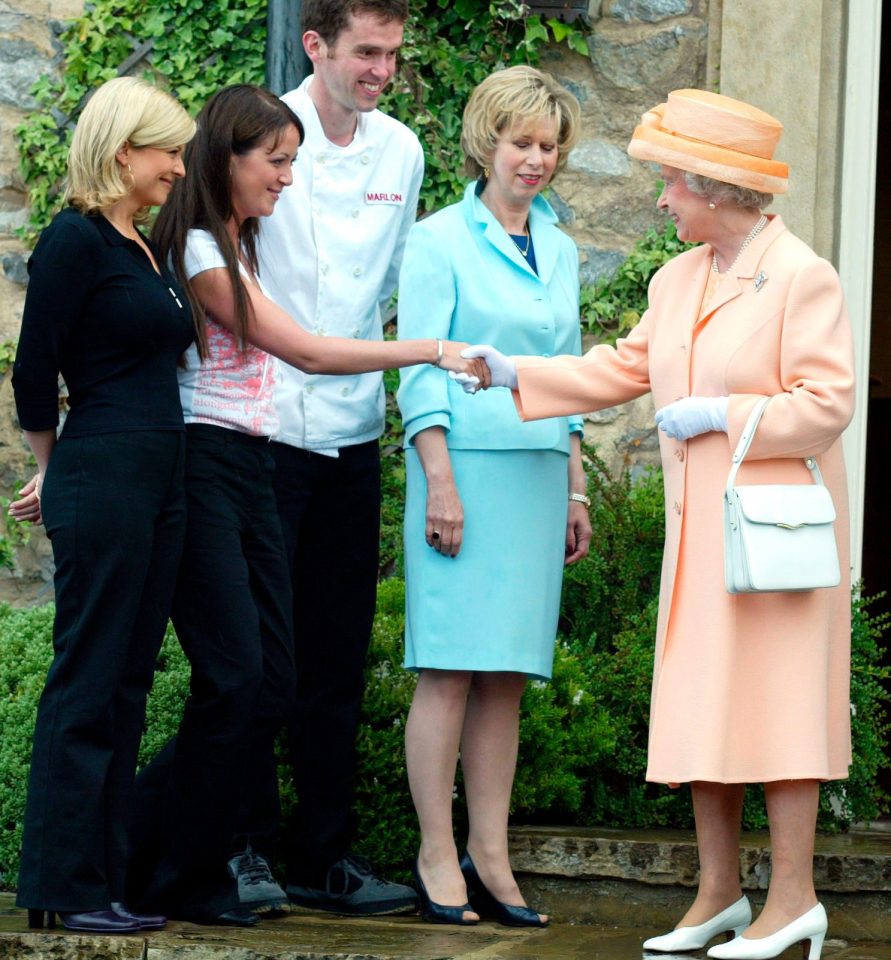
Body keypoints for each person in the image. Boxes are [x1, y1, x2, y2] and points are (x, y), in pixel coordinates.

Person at [465, 89, 854, 959]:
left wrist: (723, 414)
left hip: (773, 533)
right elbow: (620, 366)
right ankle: (718, 894)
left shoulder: (801, 274)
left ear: (713, 189)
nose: (660, 201)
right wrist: (510, 374)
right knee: (702, 707)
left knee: (784, 711)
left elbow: (828, 403)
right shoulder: (676, 277)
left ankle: (793, 900)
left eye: (670, 185)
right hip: (701, 536)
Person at [126, 83, 484, 927]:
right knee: (241, 681)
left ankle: (164, 849)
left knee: (272, 681)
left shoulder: (239, 247)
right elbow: (310, 354)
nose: (288, 178)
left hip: (250, 469)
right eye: (276, 162)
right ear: (228, 159)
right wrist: (434, 349)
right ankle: (165, 858)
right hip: (206, 467)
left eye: (293, 160)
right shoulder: (202, 252)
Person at [396, 65, 590, 927]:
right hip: (462, 472)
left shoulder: (562, 245)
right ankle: (436, 850)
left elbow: (575, 376)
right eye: (521, 143)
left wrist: (577, 486)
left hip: (538, 473)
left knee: (507, 676)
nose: (535, 159)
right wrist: (438, 480)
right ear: (487, 142)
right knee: (446, 668)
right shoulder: (437, 239)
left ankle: (491, 851)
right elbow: (421, 371)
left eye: (548, 146)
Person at [8, 77, 196, 934]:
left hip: (158, 478)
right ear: (125, 151)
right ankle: (60, 887)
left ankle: (106, 880)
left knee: (126, 680)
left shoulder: (143, 247)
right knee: (87, 678)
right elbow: (30, 374)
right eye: (169, 152)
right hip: (105, 474)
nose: (179, 167)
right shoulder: (74, 241)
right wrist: (55, 469)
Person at [255, 0, 426, 915]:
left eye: (393, 55)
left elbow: (391, 278)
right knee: (255, 658)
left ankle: (323, 854)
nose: (382, 72)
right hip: (268, 430)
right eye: (367, 52)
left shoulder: (401, 151)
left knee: (336, 654)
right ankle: (240, 847)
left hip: (354, 430)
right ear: (316, 44)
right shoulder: (260, 137)